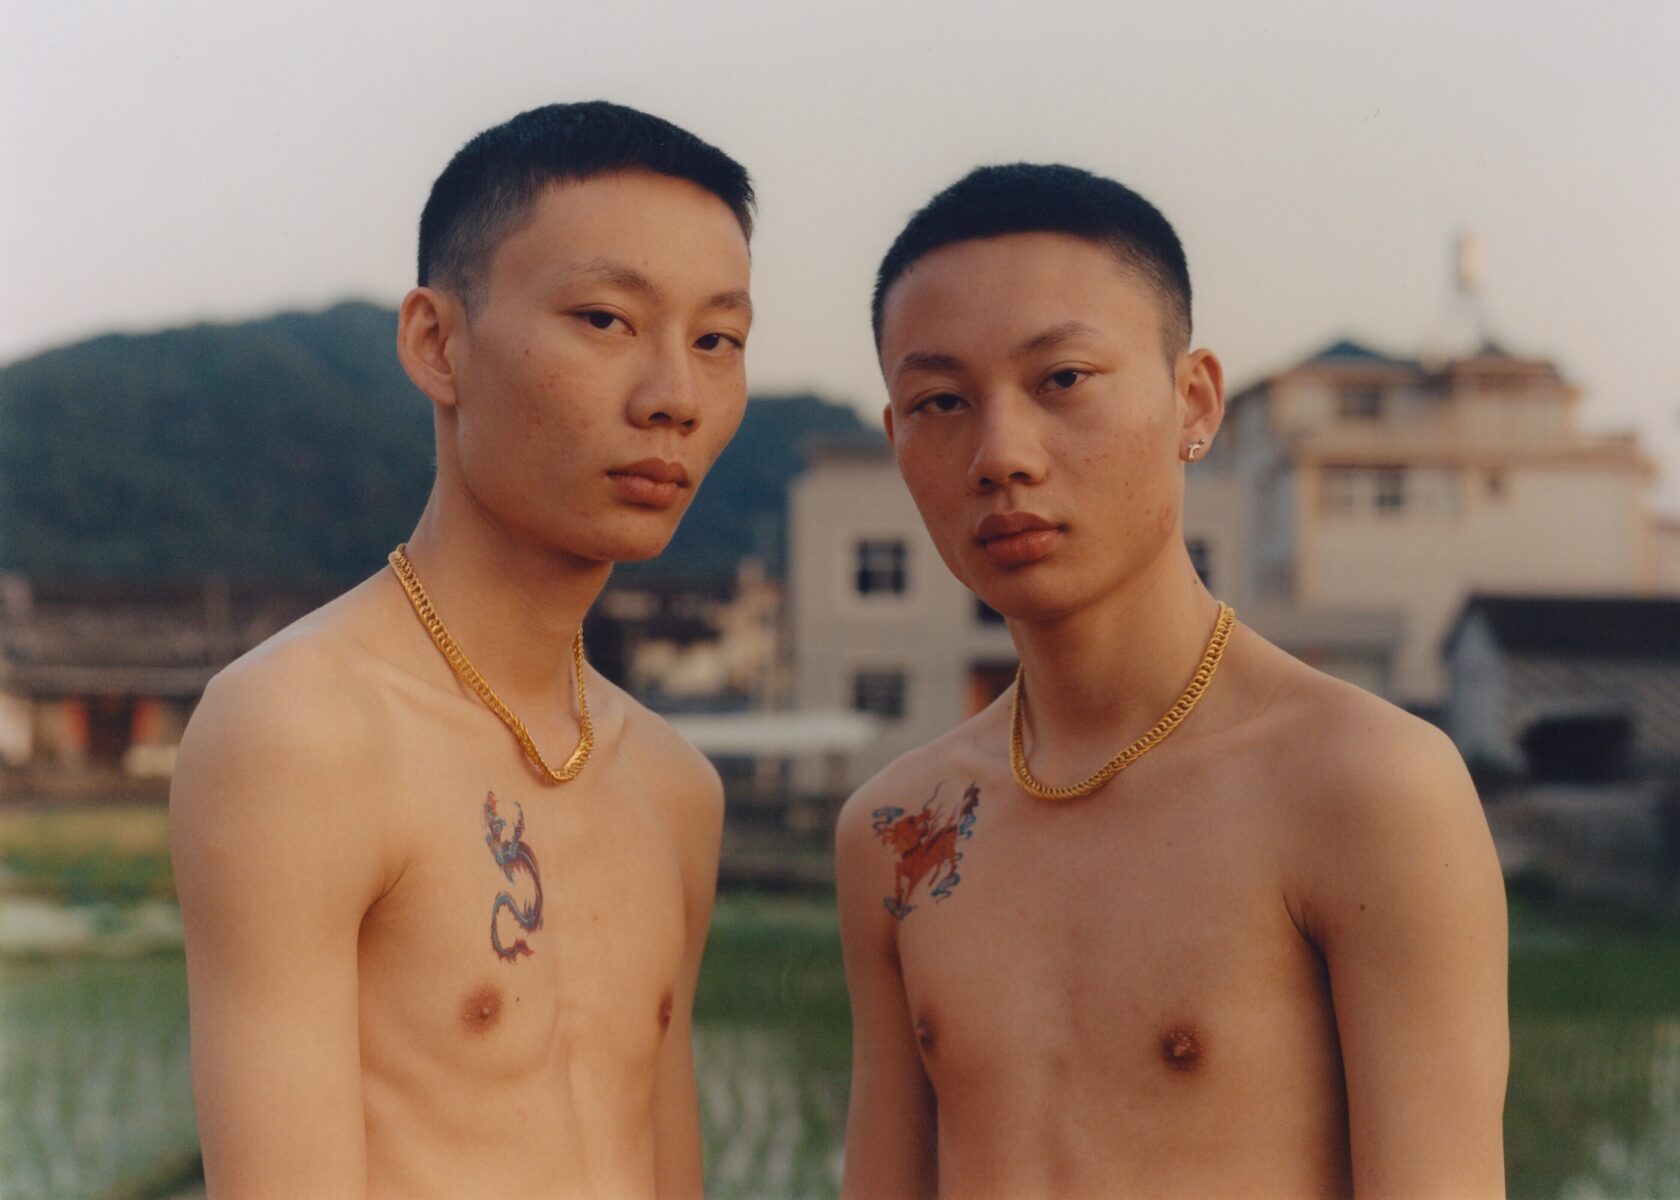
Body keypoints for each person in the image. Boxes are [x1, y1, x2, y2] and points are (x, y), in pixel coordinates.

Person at [836, 163, 1508, 1199]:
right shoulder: (893, 829)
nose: (1000, 453)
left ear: (1194, 401)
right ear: (897, 443)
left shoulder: (1367, 785)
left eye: (1061, 380)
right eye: (941, 401)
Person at [169, 101, 755, 1199]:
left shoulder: (678, 788)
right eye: (605, 319)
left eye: (718, 340)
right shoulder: (301, 733)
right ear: (438, 343)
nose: (675, 395)